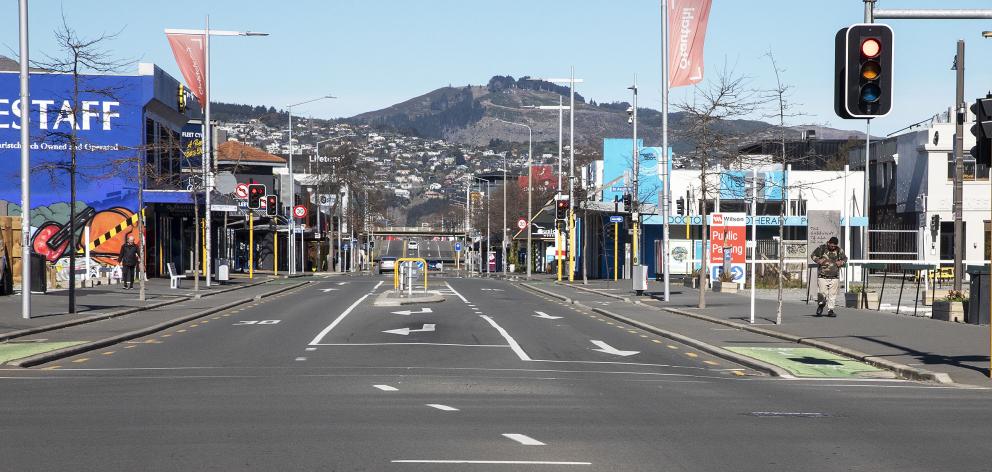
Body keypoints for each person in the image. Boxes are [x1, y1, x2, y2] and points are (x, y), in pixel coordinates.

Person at [810, 236, 847, 317]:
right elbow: (812, 255)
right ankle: (821, 306)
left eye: (835, 246)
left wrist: (841, 262)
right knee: (822, 293)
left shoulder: (839, 250)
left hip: (834, 276)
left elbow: (845, 258)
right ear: (829, 243)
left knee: (832, 294)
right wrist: (818, 260)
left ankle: (831, 310)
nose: (833, 247)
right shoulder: (822, 248)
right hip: (822, 276)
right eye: (832, 245)